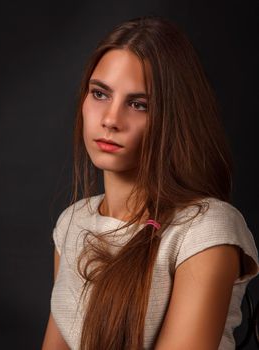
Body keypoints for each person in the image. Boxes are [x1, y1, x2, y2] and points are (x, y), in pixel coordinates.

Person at [41, 15, 259, 350]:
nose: (111, 120)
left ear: (173, 117)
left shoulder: (205, 230)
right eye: (100, 94)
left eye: (139, 104)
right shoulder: (72, 223)